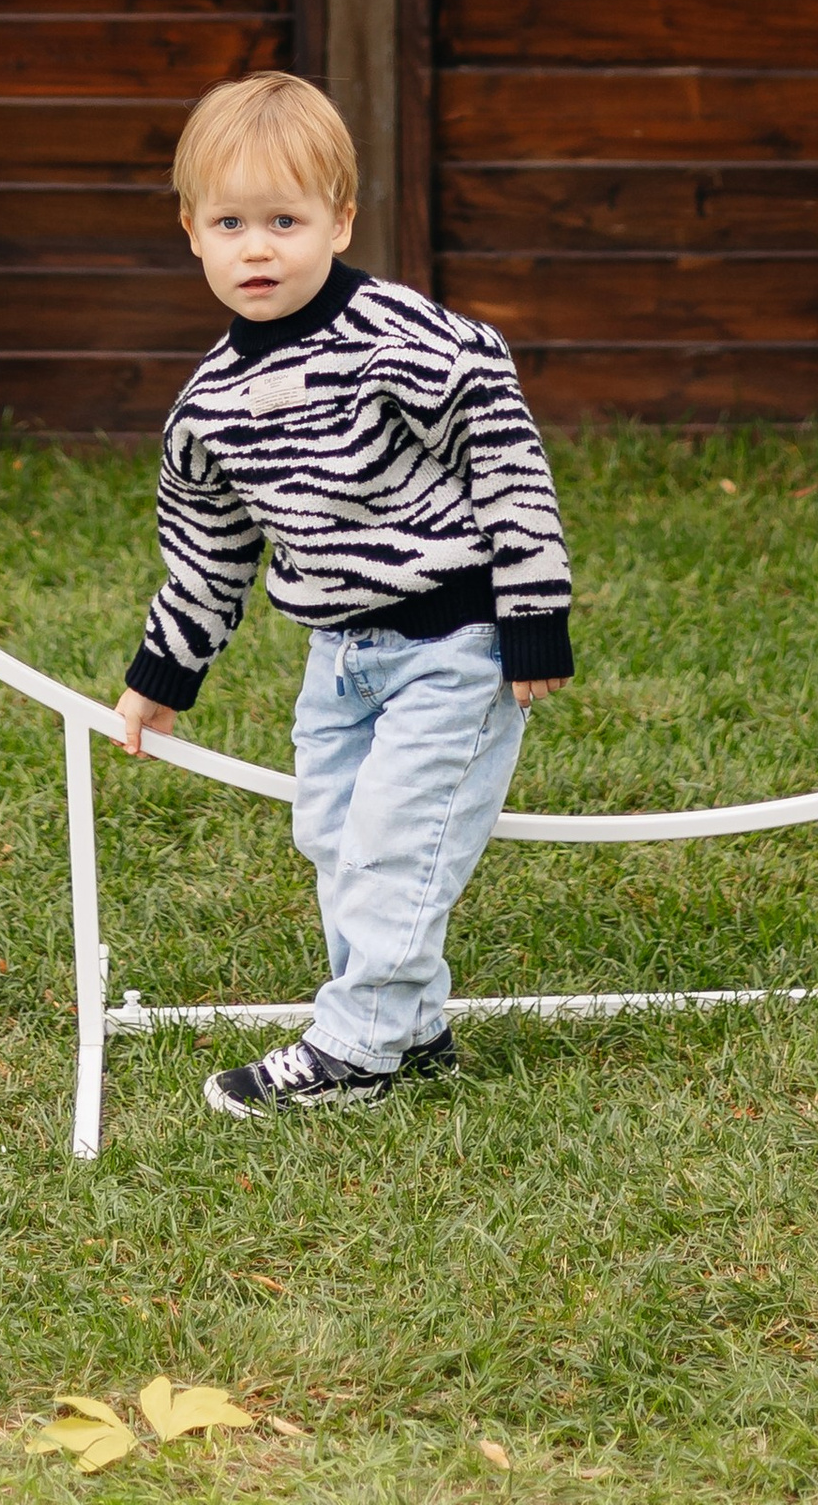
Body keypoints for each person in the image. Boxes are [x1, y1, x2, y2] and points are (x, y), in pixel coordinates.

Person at [115, 69, 574, 1116]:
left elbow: (506, 456)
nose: (258, 248)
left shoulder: (402, 340)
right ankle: (412, 1031)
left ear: (340, 221)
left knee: (391, 847)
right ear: (192, 232)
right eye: (231, 223)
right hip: (339, 657)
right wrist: (161, 676)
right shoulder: (208, 407)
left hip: (452, 643)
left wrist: (532, 613)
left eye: (285, 221)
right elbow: (208, 554)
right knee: (331, 837)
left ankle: (355, 1050)